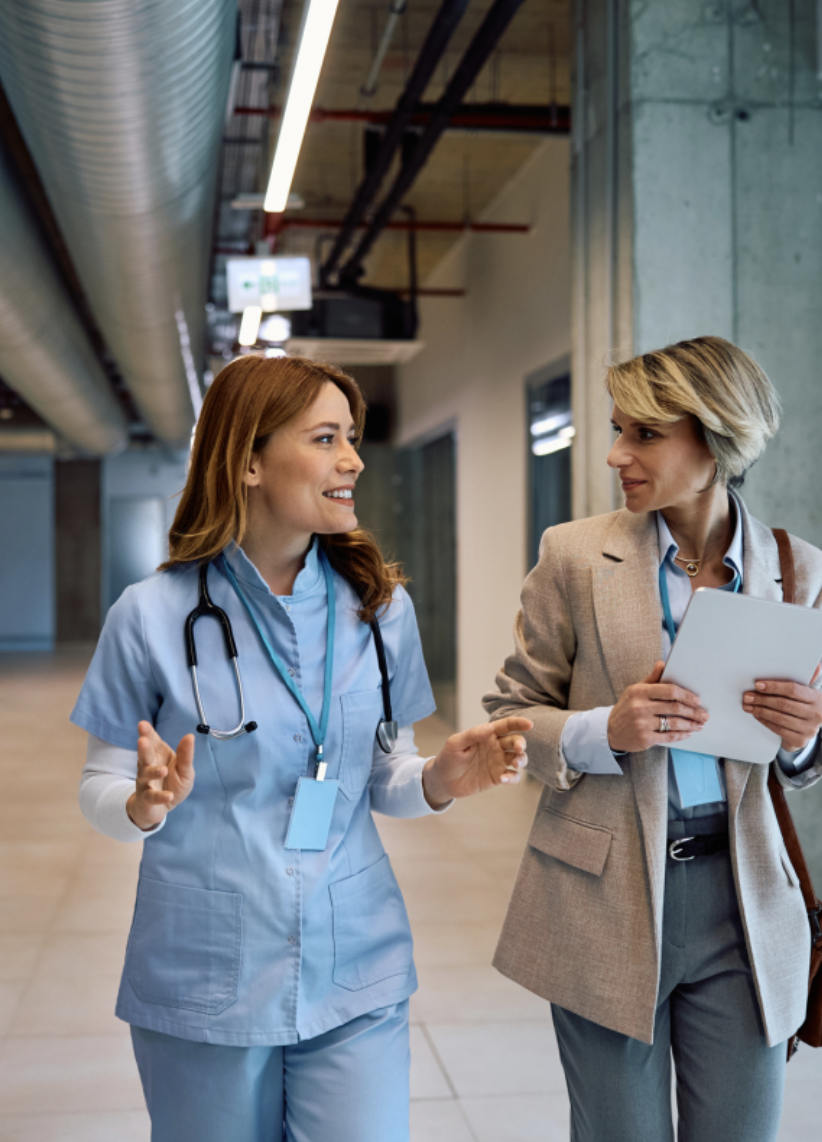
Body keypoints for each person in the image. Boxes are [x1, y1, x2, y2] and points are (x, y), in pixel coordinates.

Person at [72, 354, 532, 1142]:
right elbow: (100, 784)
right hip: (206, 969)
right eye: (325, 438)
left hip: (355, 959)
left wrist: (440, 779)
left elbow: (386, 774)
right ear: (248, 459)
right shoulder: (150, 615)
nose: (352, 459)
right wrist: (141, 804)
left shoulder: (380, 612)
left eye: (351, 438)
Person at [483, 336, 822, 1142]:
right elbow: (512, 712)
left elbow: (801, 757)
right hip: (603, 888)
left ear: (714, 438)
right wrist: (602, 730)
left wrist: (801, 737)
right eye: (618, 430)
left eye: (644, 434)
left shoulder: (805, 571)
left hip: (743, 899)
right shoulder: (574, 557)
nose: (616, 454)